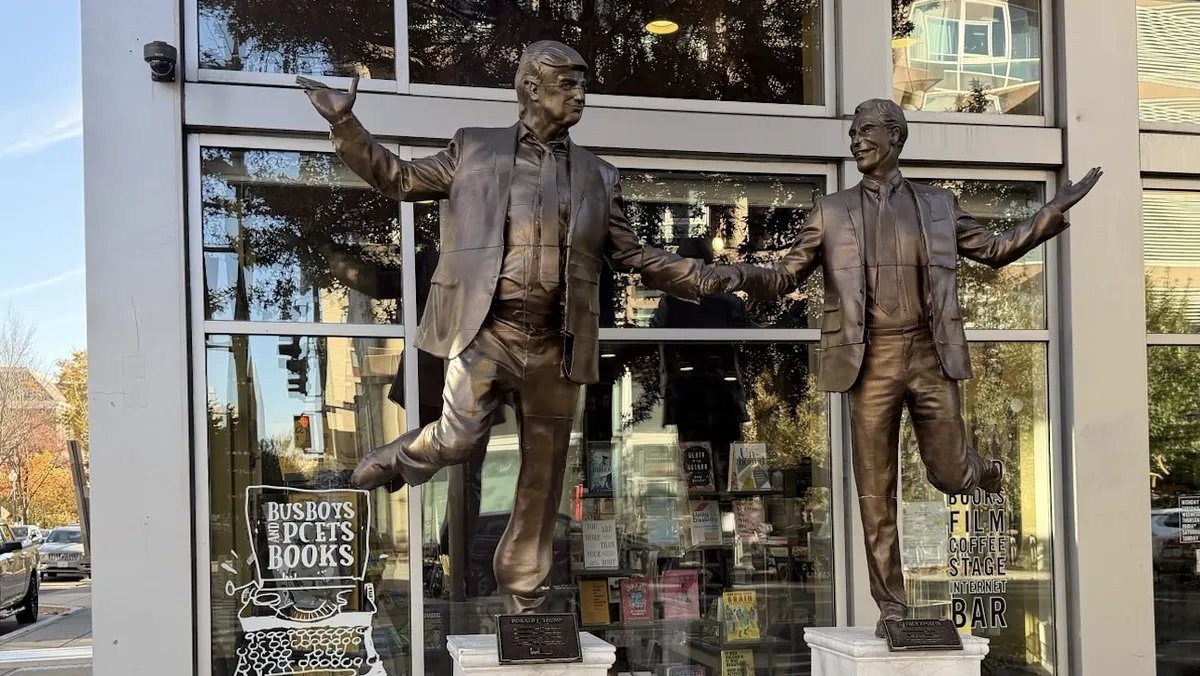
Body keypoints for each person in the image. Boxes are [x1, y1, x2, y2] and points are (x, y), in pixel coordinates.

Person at [299, 40, 741, 613]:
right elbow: (399, 178)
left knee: (542, 480)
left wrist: (707, 278)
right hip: (487, 331)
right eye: (569, 84)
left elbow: (636, 256)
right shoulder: (474, 149)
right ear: (531, 87)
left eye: (584, 84)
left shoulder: (599, 175)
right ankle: (390, 461)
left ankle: (525, 600)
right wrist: (344, 123)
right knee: (458, 438)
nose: (581, 95)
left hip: (556, 344)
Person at [730, 98, 1102, 636]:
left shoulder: (938, 205)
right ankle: (892, 608)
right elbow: (785, 275)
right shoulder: (831, 211)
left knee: (950, 475)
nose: (855, 140)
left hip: (930, 355)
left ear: (896, 137)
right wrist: (737, 275)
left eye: (866, 131)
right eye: (852, 132)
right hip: (869, 362)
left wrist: (1052, 211)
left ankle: (984, 471)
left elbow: (996, 249)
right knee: (875, 492)